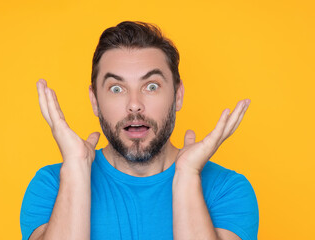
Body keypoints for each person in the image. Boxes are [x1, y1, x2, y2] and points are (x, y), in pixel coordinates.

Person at [20, 21, 259, 240]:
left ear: (178, 95)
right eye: (116, 89)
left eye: (151, 86)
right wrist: (75, 170)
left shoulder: (227, 189)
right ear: (94, 101)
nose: (134, 104)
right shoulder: (52, 185)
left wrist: (187, 177)